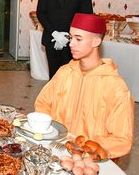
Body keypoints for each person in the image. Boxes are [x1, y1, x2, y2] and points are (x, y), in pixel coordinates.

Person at [35, 13, 134, 158]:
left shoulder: (115, 86)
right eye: (70, 37)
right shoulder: (64, 73)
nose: (71, 43)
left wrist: (84, 148)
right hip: (56, 150)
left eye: (78, 39)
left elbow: (122, 139)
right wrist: (51, 131)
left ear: (96, 41)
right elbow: (43, 103)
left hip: (90, 161)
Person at [37, 0, 93, 78]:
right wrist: (55, 33)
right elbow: (41, 13)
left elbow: (86, 16)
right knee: (54, 74)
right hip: (51, 39)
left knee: (71, 75)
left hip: (73, 42)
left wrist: (68, 36)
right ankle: (54, 96)